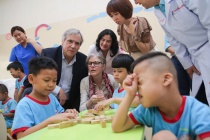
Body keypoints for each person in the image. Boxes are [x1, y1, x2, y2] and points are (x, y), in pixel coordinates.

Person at [112, 52, 210, 139]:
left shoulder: (198, 112)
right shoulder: (149, 110)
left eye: (140, 83)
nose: (136, 88)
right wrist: (129, 94)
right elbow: (118, 126)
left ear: (166, 79)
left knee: (163, 137)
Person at [134, 0, 210, 105]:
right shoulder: (158, 10)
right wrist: (187, 64)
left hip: (207, 48)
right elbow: (173, 39)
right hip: (194, 57)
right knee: (201, 99)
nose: (136, 2)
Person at [11, 57, 78, 139]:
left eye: (54, 80)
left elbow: (60, 116)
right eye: (46, 80)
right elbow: (21, 136)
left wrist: (68, 113)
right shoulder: (24, 105)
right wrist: (49, 121)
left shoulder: (52, 98)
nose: (51, 85)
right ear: (31, 79)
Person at [41, 28, 88, 111]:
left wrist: (75, 110)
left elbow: (79, 91)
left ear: (79, 46)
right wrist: (57, 89)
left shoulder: (83, 61)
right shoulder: (48, 54)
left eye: (77, 43)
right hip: (48, 98)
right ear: (62, 41)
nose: (73, 46)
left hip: (69, 103)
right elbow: (41, 78)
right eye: (70, 41)